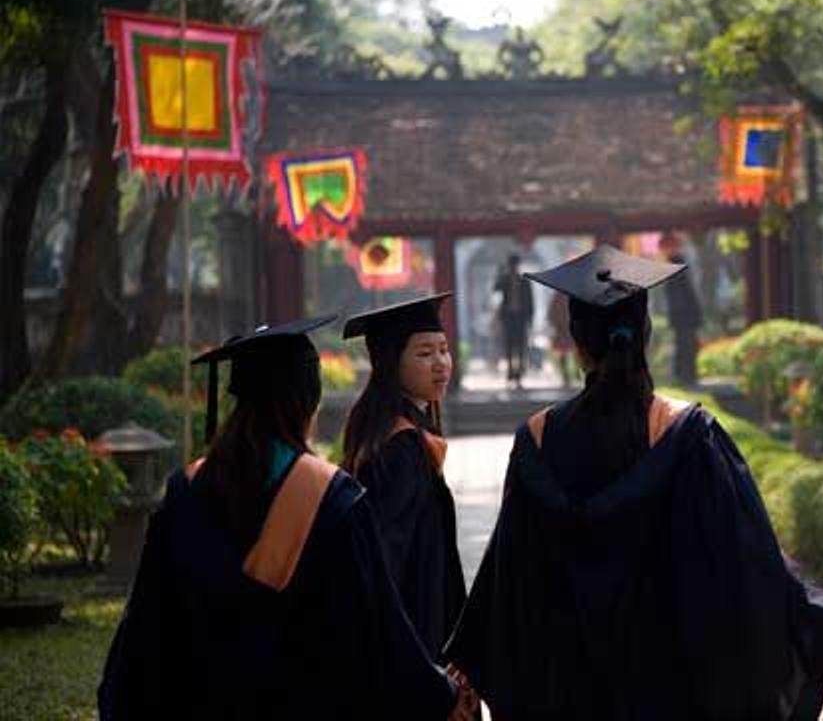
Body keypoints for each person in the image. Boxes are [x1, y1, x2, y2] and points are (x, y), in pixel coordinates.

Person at [444, 245, 823, 721]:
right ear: (646, 332)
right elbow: (744, 559)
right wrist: (818, 609)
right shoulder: (688, 435)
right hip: (667, 685)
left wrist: (465, 663)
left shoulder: (537, 440)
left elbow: (508, 575)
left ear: (574, 338)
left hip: (566, 689)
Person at [99, 317, 474, 721]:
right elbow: (379, 628)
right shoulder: (332, 499)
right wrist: (442, 693)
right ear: (308, 402)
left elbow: (145, 626)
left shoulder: (186, 489)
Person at [340, 293, 466, 655]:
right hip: (413, 632)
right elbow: (388, 560)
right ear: (389, 362)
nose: (441, 363)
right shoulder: (400, 448)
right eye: (425, 354)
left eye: (443, 349)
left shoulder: (392, 431)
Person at [660, 232, 702, 385]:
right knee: (685, 344)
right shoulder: (677, 264)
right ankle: (685, 375)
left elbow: (684, 293)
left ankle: (686, 375)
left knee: (686, 344)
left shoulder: (677, 265)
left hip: (684, 313)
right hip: (683, 313)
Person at [494, 253, 534, 388]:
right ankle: (510, 373)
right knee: (509, 347)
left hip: (521, 318)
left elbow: (530, 301)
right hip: (508, 318)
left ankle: (519, 376)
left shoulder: (524, 281)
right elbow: (495, 289)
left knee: (521, 347)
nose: (513, 268)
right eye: (511, 265)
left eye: (515, 265)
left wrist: (530, 319)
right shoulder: (504, 280)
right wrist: (499, 273)